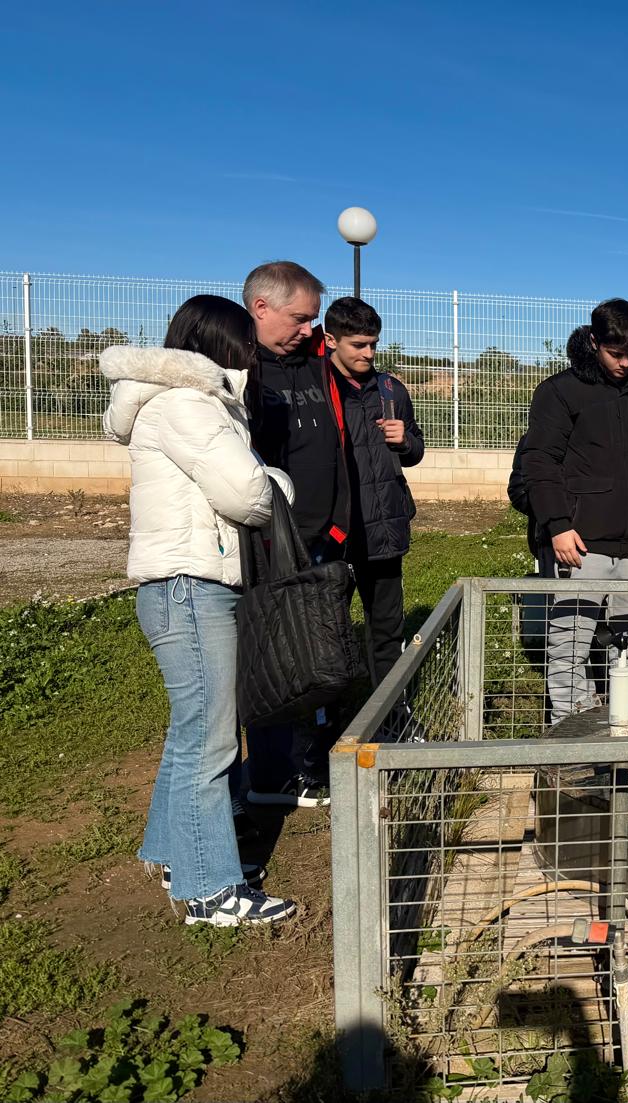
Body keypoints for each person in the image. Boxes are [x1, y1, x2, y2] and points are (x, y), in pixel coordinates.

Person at [101, 295, 298, 926]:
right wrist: (280, 484)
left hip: (184, 586)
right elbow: (246, 492)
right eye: (246, 345)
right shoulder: (188, 404)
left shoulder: (175, 403)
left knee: (192, 733)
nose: (253, 357)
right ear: (220, 345)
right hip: (191, 588)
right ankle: (210, 891)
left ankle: (174, 854)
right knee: (211, 742)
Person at [520, 299, 628, 722]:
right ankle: (571, 737)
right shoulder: (560, 392)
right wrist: (557, 524)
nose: (625, 363)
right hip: (581, 545)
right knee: (569, 649)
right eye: (616, 353)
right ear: (594, 342)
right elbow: (539, 463)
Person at [240, 260, 344, 808]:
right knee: (277, 657)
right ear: (261, 308)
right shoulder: (239, 371)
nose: (308, 329)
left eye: (313, 319)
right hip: (270, 544)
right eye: (299, 319)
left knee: (318, 656)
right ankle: (274, 774)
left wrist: (339, 523)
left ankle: (311, 759)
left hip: (325, 537)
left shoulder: (315, 364)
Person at [324, 297, 424, 689]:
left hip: (384, 530)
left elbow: (415, 450)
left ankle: (391, 710)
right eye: (359, 345)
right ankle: (332, 713)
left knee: (387, 630)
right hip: (334, 535)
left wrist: (405, 442)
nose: (368, 353)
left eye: (373, 344)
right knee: (326, 632)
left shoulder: (391, 389)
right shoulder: (317, 390)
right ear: (331, 340)